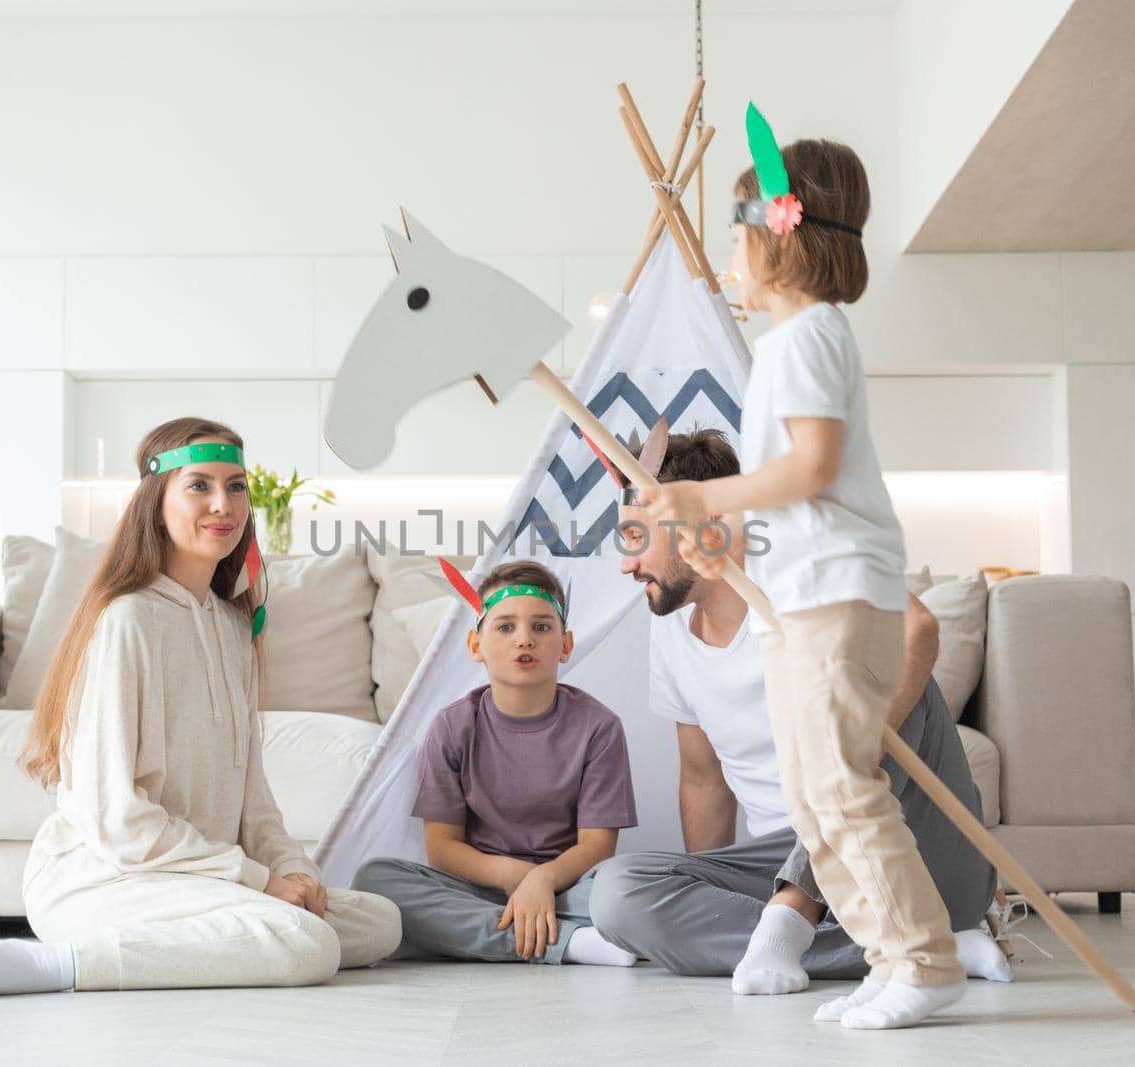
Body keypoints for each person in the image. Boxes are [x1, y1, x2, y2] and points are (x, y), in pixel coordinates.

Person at [637, 118, 965, 1029]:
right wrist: (721, 527)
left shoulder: (811, 335)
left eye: (736, 236)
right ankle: (892, 954)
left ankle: (925, 959)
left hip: (834, 598)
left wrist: (709, 500)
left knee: (841, 787)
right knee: (814, 795)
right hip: (803, 596)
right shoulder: (790, 345)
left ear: (777, 236)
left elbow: (813, 466)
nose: (730, 260)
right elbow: (792, 494)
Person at [0, 417, 400, 998]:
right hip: (107, 877)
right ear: (156, 502)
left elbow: (254, 802)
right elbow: (117, 820)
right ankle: (62, 966)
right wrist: (256, 881)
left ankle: (231, 928)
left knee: (380, 922)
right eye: (199, 485)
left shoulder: (234, 627)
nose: (222, 504)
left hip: (200, 879)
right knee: (306, 942)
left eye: (236, 486)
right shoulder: (127, 620)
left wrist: (292, 869)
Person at [593, 429, 1006, 997]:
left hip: (903, 848)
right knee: (617, 893)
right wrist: (709, 886)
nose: (626, 563)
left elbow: (919, 629)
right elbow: (703, 779)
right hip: (781, 856)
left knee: (875, 667)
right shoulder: (668, 636)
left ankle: (800, 914)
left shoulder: (795, 570)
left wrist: (839, 781)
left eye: (637, 536)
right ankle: (928, 946)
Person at [354, 561, 639, 967]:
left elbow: (597, 846)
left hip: (567, 886)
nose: (524, 639)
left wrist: (543, 880)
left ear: (565, 644)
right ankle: (570, 944)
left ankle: (494, 932)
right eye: (505, 627)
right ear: (475, 645)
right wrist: (519, 879)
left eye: (541, 627)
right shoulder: (451, 726)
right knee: (376, 879)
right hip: (482, 885)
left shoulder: (599, 726)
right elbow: (442, 849)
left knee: (624, 889)